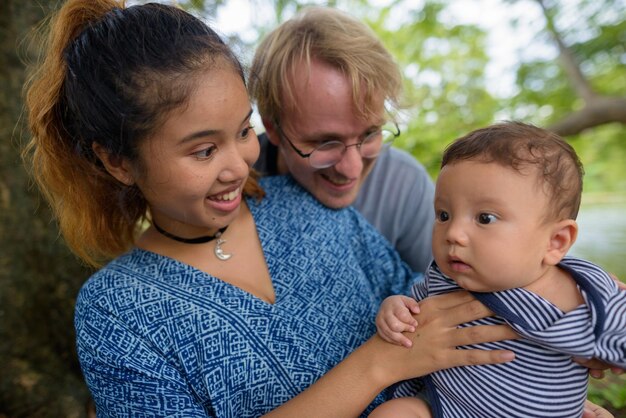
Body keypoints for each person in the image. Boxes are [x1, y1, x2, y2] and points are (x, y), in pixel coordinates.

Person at [23, 1, 520, 417]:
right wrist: (378, 364)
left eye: (242, 131)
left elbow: (443, 315)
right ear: (117, 161)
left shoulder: (303, 205)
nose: (238, 166)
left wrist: (547, 386)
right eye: (202, 150)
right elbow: (397, 355)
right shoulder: (116, 312)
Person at [371, 122, 626, 418]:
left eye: (485, 218)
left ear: (555, 242)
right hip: (451, 408)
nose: (453, 232)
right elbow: (413, 309)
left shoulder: (588, 295)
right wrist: (394, 309)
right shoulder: (444, 278)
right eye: (444, 214)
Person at [249, 7, 435, 273]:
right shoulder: (235, 182)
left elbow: (451, 296)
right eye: (325, 143)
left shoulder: (405, 186)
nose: (352, 169)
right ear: (273, 127)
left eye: (370, 134)